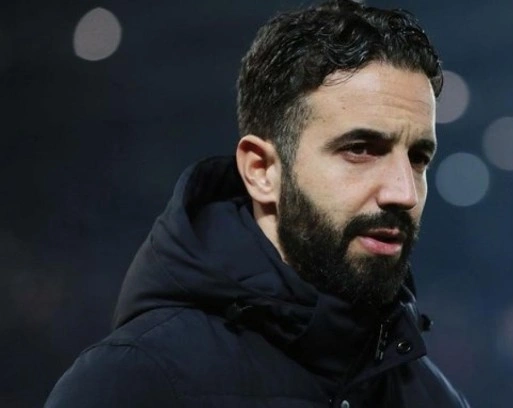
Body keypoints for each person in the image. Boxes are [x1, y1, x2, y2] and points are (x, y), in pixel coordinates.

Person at [46, 0, 470, 406]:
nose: (404, 192)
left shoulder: (435, 399)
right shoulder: (132, 381)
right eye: (360, 149)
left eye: (418, 158)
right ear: (262, 170)